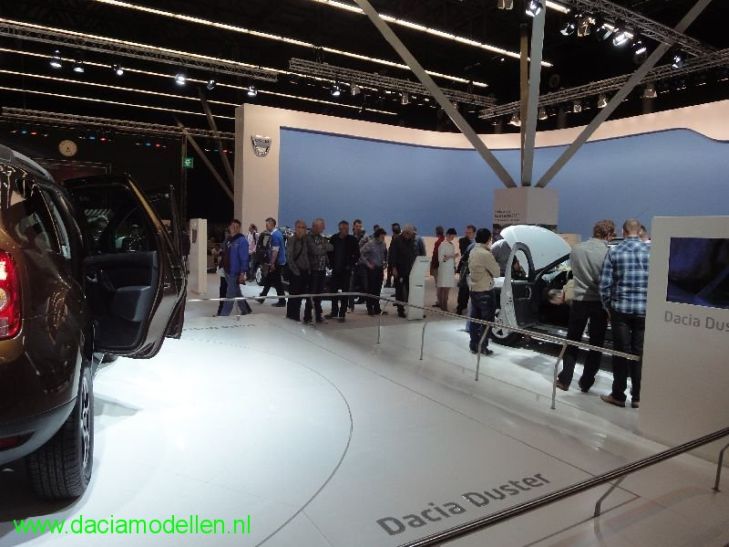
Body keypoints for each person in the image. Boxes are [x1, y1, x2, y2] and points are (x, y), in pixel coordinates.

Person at [556, 220, 615, 392]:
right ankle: (586, 382)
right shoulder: (608, 253)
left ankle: (565, 379)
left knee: (572, 340)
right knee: (596, 344)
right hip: (599, 303)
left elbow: (573, 273)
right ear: (608, 234)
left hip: (579, 300)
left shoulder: (576, 249)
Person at [599, 219, 650, 409]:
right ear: (639, 231)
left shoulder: (615, 251)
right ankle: (638, 397)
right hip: (644, 311)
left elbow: (604, 284)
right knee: (639, 354)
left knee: (620, 352)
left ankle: (618, 395)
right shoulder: (651, 252)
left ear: (623, 231)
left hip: (620, 310)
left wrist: (608, 307)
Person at [468, 228, 500, 355]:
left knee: (474, 320)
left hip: (474, 289)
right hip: (485, 291)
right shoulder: (486, 254)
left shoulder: (473, 251)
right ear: (488, 239)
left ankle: (474, 345)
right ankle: (482, 346)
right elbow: (496, 272)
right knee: (487, 322)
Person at [327, 220, 360, 322]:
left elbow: (357, 255)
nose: (345, 230)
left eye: (347, 229)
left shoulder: (352, 240)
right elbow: (329, 253)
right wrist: (331, 264)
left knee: (345, 293)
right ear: (339, 229)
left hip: (346, 271)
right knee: (333, 291)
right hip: (335, 270)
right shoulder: (334, 238)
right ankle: (334, 311)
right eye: (343, 229)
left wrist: (350, 265)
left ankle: (342, 314)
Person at [218, 219, 251, 317]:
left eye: (237, 227)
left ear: (239, 228)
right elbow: (223, 252)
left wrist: (242, 273)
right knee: (236, 292)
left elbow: (244, 258)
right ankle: (246, 310)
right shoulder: (228, 239)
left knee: (230, 295)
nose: (234, 228)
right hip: (226, 271)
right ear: (229, 227)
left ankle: (223, 316)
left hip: (234, 272)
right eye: (233, 226)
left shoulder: (242, 241)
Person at [305, 218, 333, 324]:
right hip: (313, 270)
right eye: (322, 226)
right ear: (315, 227)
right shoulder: (308, 238)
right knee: (311, 294)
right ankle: (307, 317)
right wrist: (323, 247)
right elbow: (315, 251)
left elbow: (331, 247)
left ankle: (318, 316)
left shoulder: (321, 237)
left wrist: (322, 247)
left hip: (322, 270)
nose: (324, 228)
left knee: (319, 295)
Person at [389, 224, 417, 318]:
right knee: (399, 290)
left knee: (410, 290)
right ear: (405, 232)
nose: (411, 236)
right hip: (398, 270)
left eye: (411, 234)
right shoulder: (396, 241)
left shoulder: (411, 241)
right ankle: (400, 310)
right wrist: (393, 268)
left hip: (409, 270)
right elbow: (392, 255)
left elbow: (412, 253)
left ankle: (412, 309)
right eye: (410, 234)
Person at [257, 217, 287, 307]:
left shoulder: (275, 236)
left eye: (267, 224)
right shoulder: (277, 234)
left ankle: (282, 301)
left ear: (272, 224)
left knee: (277, 282)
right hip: (277, 261)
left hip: (276, 262)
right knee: (269, 280)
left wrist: (272, 263)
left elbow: (275, 251)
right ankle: (262, 297)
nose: (266, 226)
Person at [285, 219, 311, 321]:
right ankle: (291, 317)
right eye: (299, 227)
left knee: (299, 297)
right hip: (295, 273)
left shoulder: (307, 241)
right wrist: (296, 272)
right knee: (293, 297)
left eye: (303, 228)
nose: (301, 230)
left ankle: (295, 316)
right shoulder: (292, 240)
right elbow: (289, 257)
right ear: (295, 228)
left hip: (305, 272)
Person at [360, 228, 388, 315]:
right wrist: (368, 264)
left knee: (378, 289)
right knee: (370, 289)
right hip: (372, 269)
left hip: (380, 269)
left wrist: (385, 262)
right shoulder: (370, 244)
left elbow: (384, 255)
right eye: (382, 236)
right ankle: (369, 308)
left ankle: (377, 308)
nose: (383, 238)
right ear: (378, 236)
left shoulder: (383, 244)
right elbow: (360, 253)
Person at [436, 228, 458, 312]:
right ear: (448, 235)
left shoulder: (451, 245)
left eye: (454, 236)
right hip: (444, 270)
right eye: (452, 236)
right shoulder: (443, 244)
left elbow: (449, 258)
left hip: (450, 270)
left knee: (447, 289)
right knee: (444, 289)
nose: (453, 238)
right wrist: (451, 256)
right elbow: (441, 258)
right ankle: (443, 307)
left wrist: (454, 266)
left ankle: (444, 306)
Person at [456, 225, 476, 315]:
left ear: (474, 233)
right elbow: (464, 252)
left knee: (471, 289)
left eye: (469, 233)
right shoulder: (462, 241)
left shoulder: (477, 242)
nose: (467, 234)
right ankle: (460, 307)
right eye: (466, 232)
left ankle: (467, 307)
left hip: (475, 268)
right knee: (463, 288)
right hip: (465, 268)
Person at [430, 226, 445, 306]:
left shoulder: (438, 242)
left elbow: (435, 255)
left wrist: (432, 266)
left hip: (438, 267)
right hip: (444, 267)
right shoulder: (446, 241)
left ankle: (439, 301)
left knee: (438, 285)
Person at [385, 223, 401, 288]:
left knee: (394, 271)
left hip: (396, 258)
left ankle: (394, 283)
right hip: (391, 258)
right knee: (389, 270)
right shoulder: (394, 237)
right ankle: (389, 283)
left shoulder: (399, 237)